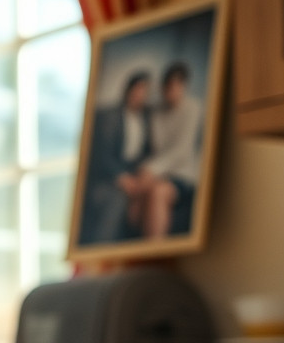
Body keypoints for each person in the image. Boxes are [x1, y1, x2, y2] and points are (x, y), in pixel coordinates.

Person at [122, 62, 201, 239]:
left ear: (183, 86)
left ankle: (153, 249)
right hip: (157, 173)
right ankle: (132, 251)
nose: (172, 90)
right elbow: (152, 149)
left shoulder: (193, 108)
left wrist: (149, 169)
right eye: (169, 86)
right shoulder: (156, 113)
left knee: (157, 192)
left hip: (182, 174)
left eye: (177, 85)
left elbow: (182, 151)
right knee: (138, 192)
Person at [78, 71, 152, 245]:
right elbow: (101, 154)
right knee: (116, 199)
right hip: (108, 176)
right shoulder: (110, 116)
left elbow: (147, 153)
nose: (140, 95)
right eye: (137, 89)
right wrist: (121, 177)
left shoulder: (147, 119)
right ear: (129, 90)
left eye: (144, 91)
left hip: (135, 175)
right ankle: (102, 253)